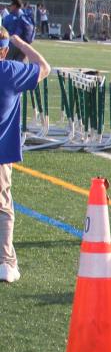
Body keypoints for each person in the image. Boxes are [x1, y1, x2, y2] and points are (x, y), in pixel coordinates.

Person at [0, 28, 50, 284]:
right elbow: (44, 67)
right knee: (3, 208)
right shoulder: (10, 71)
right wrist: (21, 43)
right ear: (4, 50)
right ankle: (5, 261)